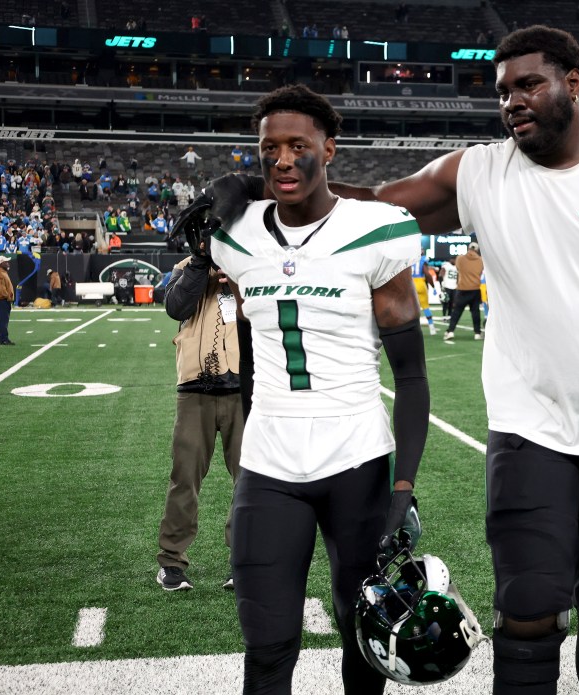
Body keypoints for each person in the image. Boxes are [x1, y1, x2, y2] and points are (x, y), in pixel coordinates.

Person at [326, 26, 579, 694]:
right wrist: (272, 191)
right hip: (528, 435)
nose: (512, 101)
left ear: (573, 84)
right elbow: (375, 207)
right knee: (529, 608)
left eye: (528, 84)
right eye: (502, 91)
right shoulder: (479, 172)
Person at [206, 85, 430, 693]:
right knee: (267, 640)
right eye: (268, 148)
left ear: (329, 149)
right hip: (270, 454)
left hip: (354, 452)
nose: (282, 159)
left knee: (364, 632)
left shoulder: (375, 230)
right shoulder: (233, 234)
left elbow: (410, 377)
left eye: (297, 146)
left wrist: (403, 487)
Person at [156, 253, 244, 591]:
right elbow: (176, 307)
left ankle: (243, 558)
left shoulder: (251, 259)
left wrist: (236, 277)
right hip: (195, 388)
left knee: (249, 480)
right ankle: (171, 561)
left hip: (245, 387)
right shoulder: (186, 266)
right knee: (185, 478)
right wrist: (199, 263)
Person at [443, 241, 483, 342]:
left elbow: (458, 268)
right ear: (477, 250)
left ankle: (450, 331)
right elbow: (481, 271)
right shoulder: (480, 260)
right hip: (475, 289)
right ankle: (477, 333)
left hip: (462, 289)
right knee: (475, 312)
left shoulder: (460, 258)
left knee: (456, 312)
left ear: (469, 248)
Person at [411, 248, 437, 335]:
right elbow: (427, 274)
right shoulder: (423, 259)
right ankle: (432, 328)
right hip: (420, 284)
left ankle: (412, 330)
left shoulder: (409, 259)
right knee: (425, 307)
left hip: (411, 284)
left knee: (412, 309)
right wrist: (433, 286)